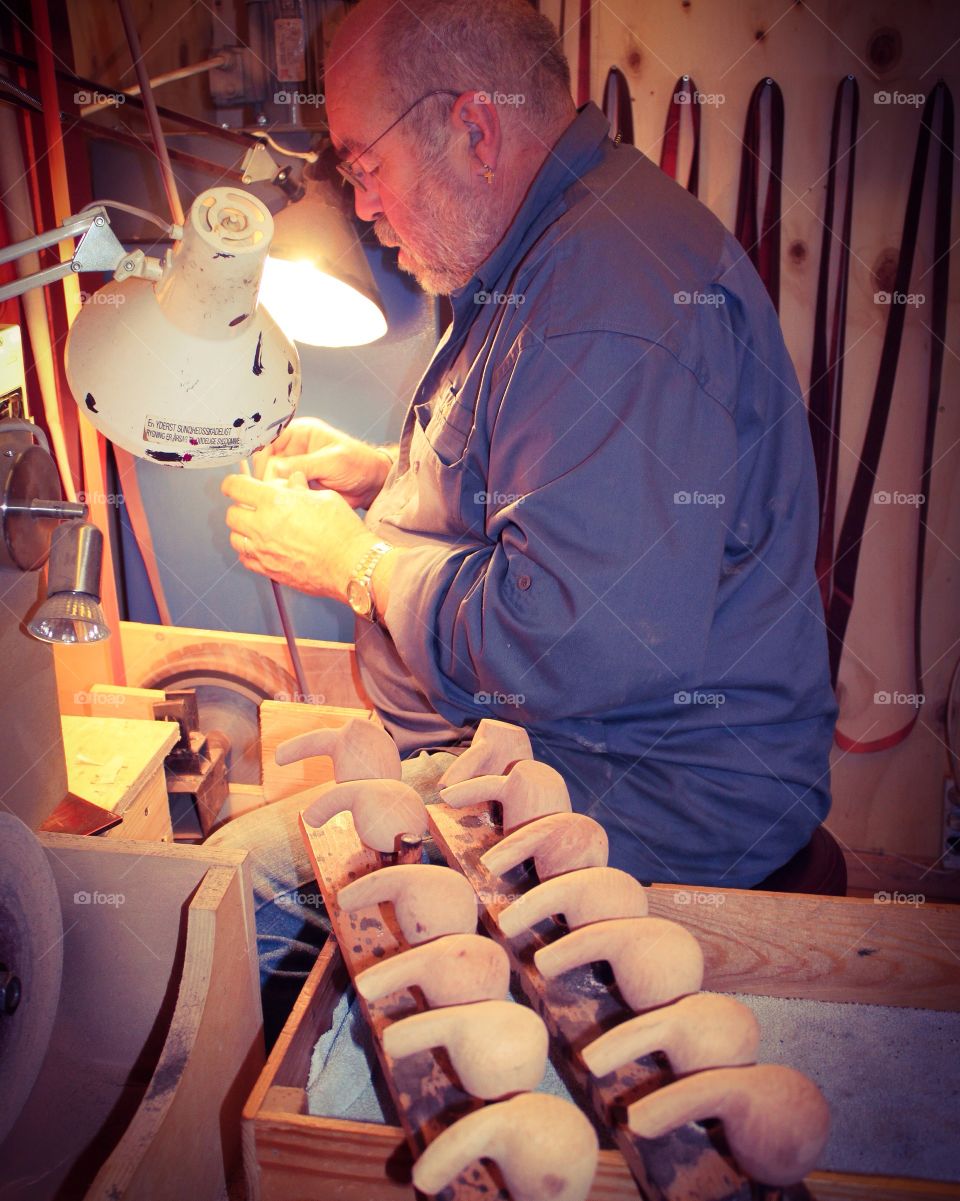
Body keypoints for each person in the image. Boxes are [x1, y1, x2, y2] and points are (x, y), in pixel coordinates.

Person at [211, 0, 840, 1028]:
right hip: (569, 752)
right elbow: (546, 491)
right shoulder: (552, 245)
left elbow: (579, 639)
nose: (360, 203)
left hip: (653, 797)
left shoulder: (606, 294)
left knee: (244, 884)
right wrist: (387, 477)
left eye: (364, 164)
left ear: (474, 127)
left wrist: (358, 565)